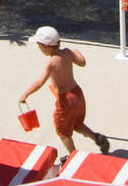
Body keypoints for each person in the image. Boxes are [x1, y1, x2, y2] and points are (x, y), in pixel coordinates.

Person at [19, 26, 109, 159]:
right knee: (77, 124)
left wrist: (26, 94)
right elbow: (82, 62)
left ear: (45, 46)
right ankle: (98, 138)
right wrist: (77, 52)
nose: (39, 48)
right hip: (77, 94)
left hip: (66, 100)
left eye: (39, 45)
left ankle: (74, 157)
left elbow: (40, 82)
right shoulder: (67, 52)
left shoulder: (51, 63)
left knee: (62, 132)